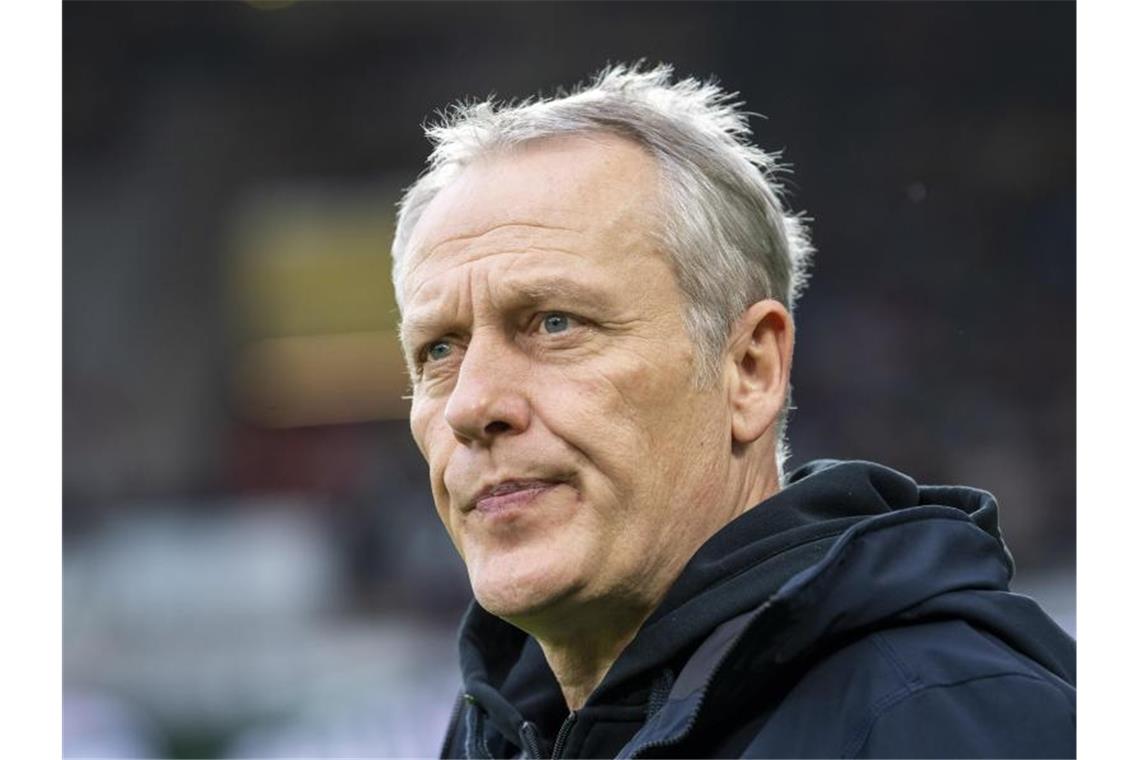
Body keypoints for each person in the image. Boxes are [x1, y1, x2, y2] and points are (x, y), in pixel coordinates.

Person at [390, 64, 1076, 759]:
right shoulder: (494, 737)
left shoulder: (950, 722)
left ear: (751, 368)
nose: (472, 405)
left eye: (555, 323)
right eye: (438, 350)